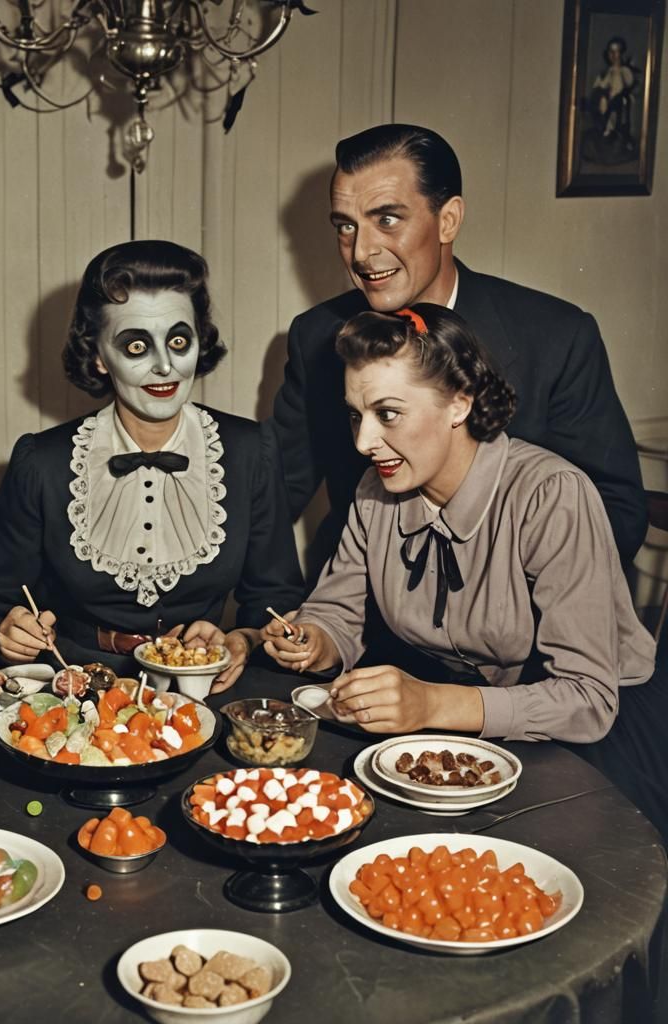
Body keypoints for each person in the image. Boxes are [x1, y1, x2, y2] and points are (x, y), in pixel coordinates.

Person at [263, 304, 662, 834]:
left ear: (459, 403)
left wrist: (431, 703)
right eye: (356, 415)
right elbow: (339, 610)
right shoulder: (376, 490)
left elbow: (586, 699)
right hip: (467, 717)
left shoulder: (551, 495)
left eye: (388, 414)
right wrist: (315, 639)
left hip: (598, 733)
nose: (363, 442)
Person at [270, 123, 646, 577]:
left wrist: (498, 594)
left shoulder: (557, 337)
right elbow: (273, 495)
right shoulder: (316, 337)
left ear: (448, 220)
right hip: (359, 603)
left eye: (387, 219)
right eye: (347, 226)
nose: (361, 253)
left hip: (516, 607)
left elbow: (616, 512)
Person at [0, 240, 304, 690]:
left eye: (178, 341)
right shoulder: (43, 462)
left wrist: (243, 640)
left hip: (200, 687)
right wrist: (2, 635)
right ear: (98, 355)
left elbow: (275, 601)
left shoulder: (251, 449)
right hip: (75, 688)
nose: (165, 366)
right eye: (136, 346)